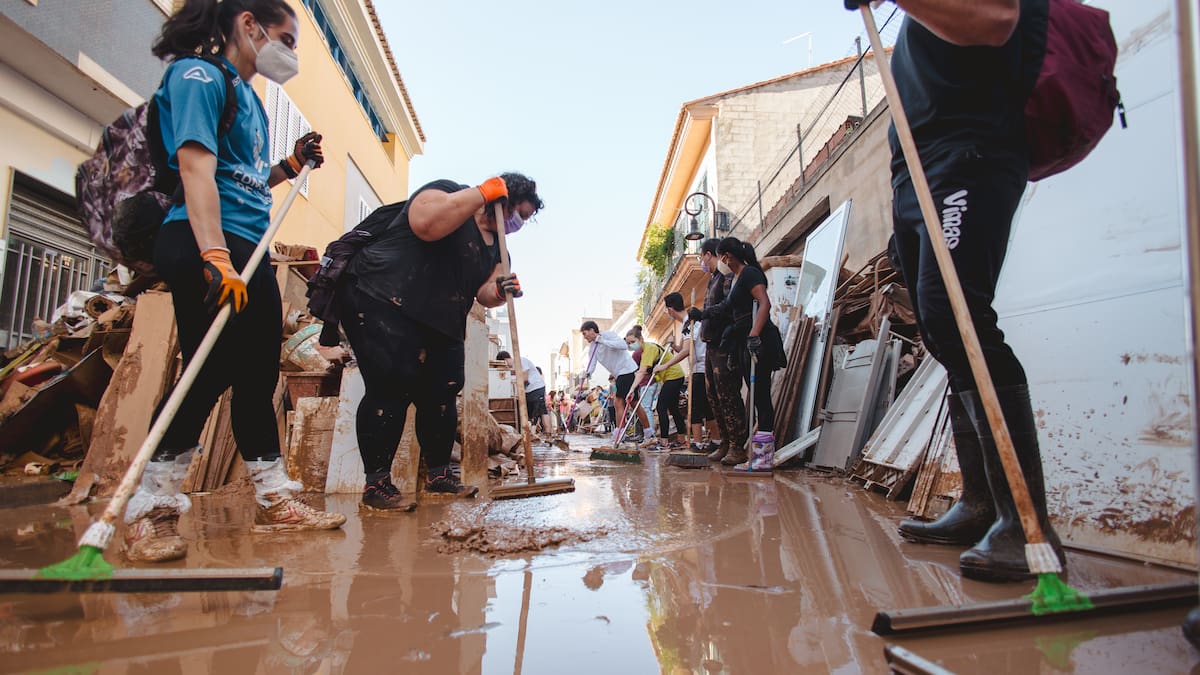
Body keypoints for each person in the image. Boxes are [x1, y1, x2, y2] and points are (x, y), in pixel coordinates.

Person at [846, 0, 1063, 582]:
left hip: (968, 153)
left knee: (960, 317)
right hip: (918, 171)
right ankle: (979, 503)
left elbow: (997, 20)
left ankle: (1026, 523)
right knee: (944, 332)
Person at [121, 0, 345, 563]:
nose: (289, 54)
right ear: (248, 26)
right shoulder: (197, 75)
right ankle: (148, 509)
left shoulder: (250, 99)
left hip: (248, 248)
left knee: (254, 372)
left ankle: (275, 500)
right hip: (202, 240)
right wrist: (214, 254)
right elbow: (195, 167)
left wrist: (289, 167)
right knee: (207, 368)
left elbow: (242, 178)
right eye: (285, 39)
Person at [330, 171, 541, 510]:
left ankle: (439, 476)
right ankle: (377, 485)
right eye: (519, 213)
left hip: (439, 319)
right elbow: (425, 223)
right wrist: (479, 193)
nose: (518, 223)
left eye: (525, 219)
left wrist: (502, 290)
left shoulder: (499, 249)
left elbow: (485, 293)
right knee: (390, 386)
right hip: (383, 298)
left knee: (443, 389)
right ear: (502, 200)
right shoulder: (449, 194)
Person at [689, 238, 785, 465]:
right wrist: (701, 314)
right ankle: (755, 453)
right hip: (743, 342)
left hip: (759, 340)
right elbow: (726, 308)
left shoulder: (750, 273)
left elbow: (764, 304)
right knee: (754, 396)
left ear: (725, 256)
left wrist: (754, 334)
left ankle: (763, 459)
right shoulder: (737, 280)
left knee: (761, 399)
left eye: (719, 256)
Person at [689, 238, 745, 463]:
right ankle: (724, 442)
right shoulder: (712, 281)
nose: (701, 261)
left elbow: (728, 308)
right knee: (714, 398)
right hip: (711, 346)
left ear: (710, 254)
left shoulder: (727, 279)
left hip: (724, 345)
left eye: (701, 256)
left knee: (728, 395)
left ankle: (737, 445)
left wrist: (704, 314)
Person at [659, 292, 722, 452]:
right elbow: (683, 348)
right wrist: (673, 346)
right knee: (707, 407)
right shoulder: (688, 324)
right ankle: (716, 440)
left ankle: (697, 444)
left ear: (670, 309)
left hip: (700, 369)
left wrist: (665, 366)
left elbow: (687, 350)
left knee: (694, 408)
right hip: (702, 367)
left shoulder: (690, 323)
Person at [625, 328, 686, 450]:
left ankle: (664, 441)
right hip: (672, 377)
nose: (631, 345)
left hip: (673, 376)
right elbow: (646, 371)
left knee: (661, 407)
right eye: (628, 343)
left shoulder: (649, 349)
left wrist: (631, 389)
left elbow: (642, 371)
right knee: (673, 409)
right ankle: (681, 439)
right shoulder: (645, 350)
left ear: (641, 339)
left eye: (633, 341)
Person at [579, 320, 640, 439]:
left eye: (585, 333)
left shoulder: (609, 335)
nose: (584, 337)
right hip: (619, 374)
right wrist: (587, 373)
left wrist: (602, 341)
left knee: (618, 402)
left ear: (592, 331)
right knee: (634, 403)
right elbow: (592, 364)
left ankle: (619, 433)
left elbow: (623, 346)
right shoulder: (592, 348)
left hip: (627, 369)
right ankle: (648, 432)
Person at [496, 351, 553, 439]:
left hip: (537, 387)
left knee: (542, 410)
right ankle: (530, 433)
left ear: (505, 360)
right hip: (528, 391)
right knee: (527, 412)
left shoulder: (521, 361)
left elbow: (525, 377)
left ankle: (548, 434)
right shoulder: (511, 368)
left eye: (503, 364)